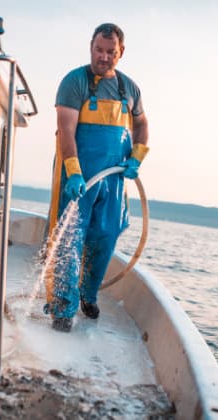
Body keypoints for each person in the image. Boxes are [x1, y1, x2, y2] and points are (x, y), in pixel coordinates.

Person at [45, 23, 149, 332]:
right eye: (98, 50)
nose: (103, 57)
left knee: (105, 237)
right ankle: (62, 308)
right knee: (70, 237)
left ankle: (88, 295)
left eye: (110, 52)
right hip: (78, 174)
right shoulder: (75, 82)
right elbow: (65, 130)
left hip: (114, 179)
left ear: (121, 52)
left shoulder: (129, 89)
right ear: (91, 46)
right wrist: (74, 172)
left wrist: (138, 156)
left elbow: (142, 125)